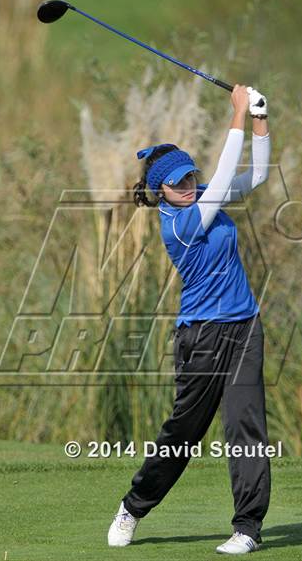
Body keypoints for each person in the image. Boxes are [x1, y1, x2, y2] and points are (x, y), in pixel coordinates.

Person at [108, 85, 271, 555]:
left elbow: (255, 177)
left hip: (244, 328)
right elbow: (222, 179)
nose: (185, 185)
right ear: (159, 188)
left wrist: (260, 119)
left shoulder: (200, 195)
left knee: (247, 427)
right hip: (200, 336)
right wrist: (237, 114)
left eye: (188, 177)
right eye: (176, 181)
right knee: (184, 432)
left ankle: (248, 528)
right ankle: (133, 507)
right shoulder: (177, 222)